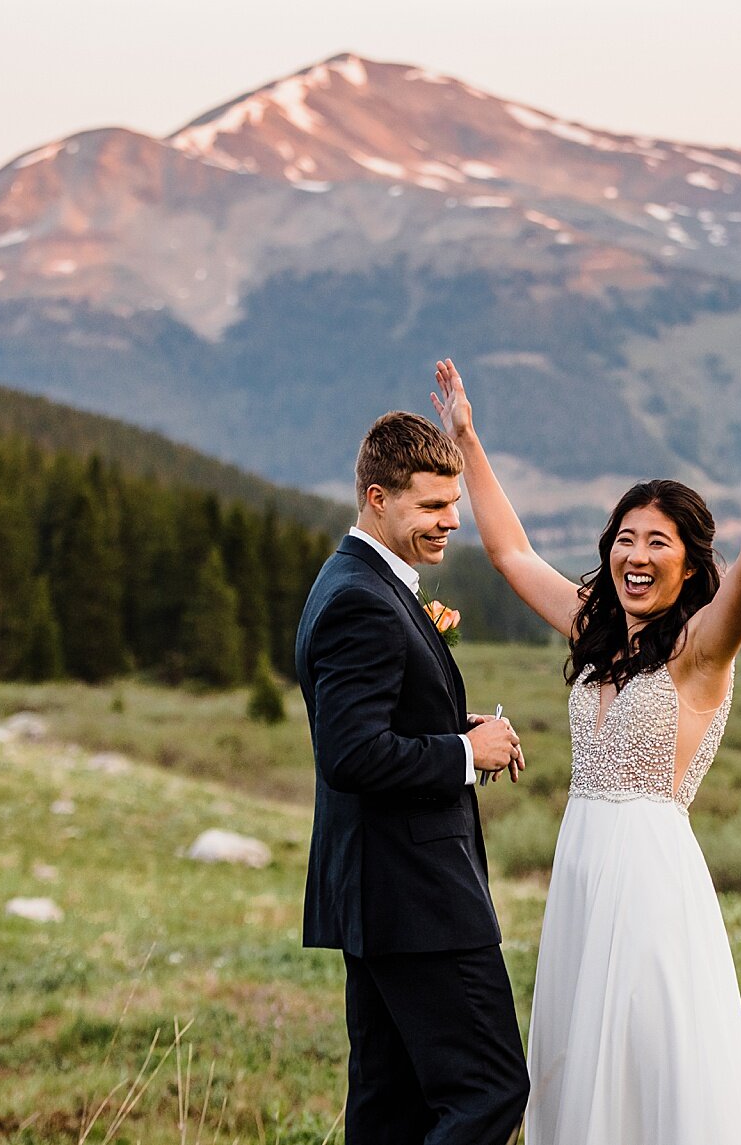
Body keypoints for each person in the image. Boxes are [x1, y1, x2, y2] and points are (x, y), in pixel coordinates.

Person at [431, 353, 741, 1144]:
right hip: (583, 872)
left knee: (648, 1064)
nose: (636, 556)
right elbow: (513, 555)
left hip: (653, 884)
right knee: (578, 1065)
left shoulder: (700, 649)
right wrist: (468, 441)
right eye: (625, 539)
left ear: (688, 561)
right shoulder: (593, 629)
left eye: (658, 542)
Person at [294, 411, 530, 1145]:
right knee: (491, 1090)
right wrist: (467, 754)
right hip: (415, 895)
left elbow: (377, 726)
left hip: (383, 895)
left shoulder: (360, 579)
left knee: (389, 1104)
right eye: (432, 505)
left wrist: (459, 734)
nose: (450, 521)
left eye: (453, 504)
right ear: (377, 497)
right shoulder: (362, 600)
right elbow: (352, 753)